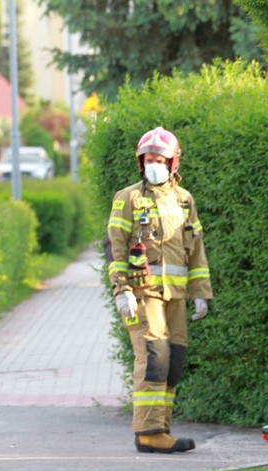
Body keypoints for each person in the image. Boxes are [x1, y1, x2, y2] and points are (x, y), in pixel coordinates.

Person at [105, 126, 213, 453]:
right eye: (148, 159)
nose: (154, 164)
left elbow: (196, 251)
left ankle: (161, 427)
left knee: (173, 360)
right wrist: (121, 289)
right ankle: (148, 431)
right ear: (141, 162)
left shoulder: (184, 200)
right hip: (142, 294)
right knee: (154, 357)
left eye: (160, 159)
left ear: (173, 162)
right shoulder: (129, 198)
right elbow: (115, 248)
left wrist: (201, 292)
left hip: (176, 298)